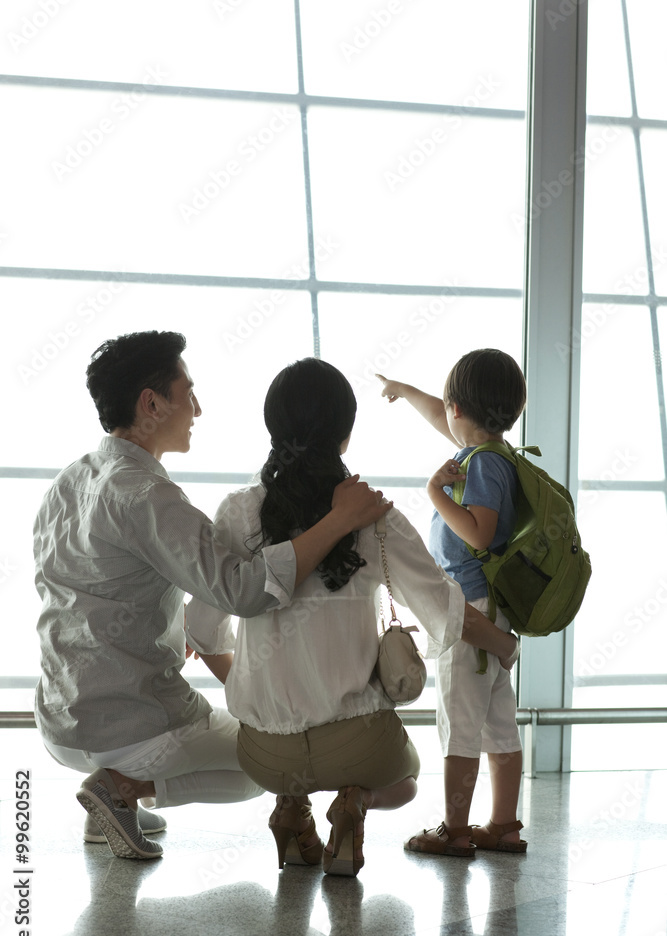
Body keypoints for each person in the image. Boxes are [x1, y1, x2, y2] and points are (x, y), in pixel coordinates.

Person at [34, 331, 388, 861]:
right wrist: (339, 520)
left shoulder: (70, 480)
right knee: (266, 765)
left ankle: (114, 800)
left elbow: (88, 588)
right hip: (129, 725)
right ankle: (122, 788)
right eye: (188, 392)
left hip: (59, 718)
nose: (197, 408)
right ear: (151, 403)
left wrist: (175, 622)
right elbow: (245, 590)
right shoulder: (147, 495)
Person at [185, 358, 520, 877]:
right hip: (358, 744)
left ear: (274, 427)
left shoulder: (237, 512)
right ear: (345, 437)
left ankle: (292, 810)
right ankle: (354, 806)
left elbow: (202, 630)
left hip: (266, 754)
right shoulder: (374, 517)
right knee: (405, 781)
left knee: (280, 758)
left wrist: (255, 689)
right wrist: (501, 641)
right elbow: (444, 608)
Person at [378, 347, 528, 856]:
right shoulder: (493, 452)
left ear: (458, 409)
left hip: (471, 605)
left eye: (446, 407)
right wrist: (404, 389)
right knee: (497, 722)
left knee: (458, 726)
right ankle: (504, 826)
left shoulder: (481, 466)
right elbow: (444, 415)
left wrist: (434, 493)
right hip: (491, 605)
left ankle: (455, 829)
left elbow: (480, 534)